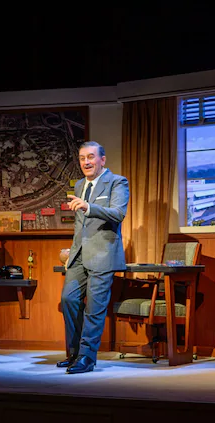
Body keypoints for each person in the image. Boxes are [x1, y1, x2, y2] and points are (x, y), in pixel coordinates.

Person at [58, 141, 130, 374]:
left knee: (94, 308)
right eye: (82, 158)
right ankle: (74, 353)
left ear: (102, 159)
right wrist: (71, 253)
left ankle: (87, 358)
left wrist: (88, 207)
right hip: (79, 254)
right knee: (68, 299)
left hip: (103, 253)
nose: (86, 162)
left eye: (90, 157)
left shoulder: (117, 182)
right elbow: (79, 226)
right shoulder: (80, 184)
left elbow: (118, 213)